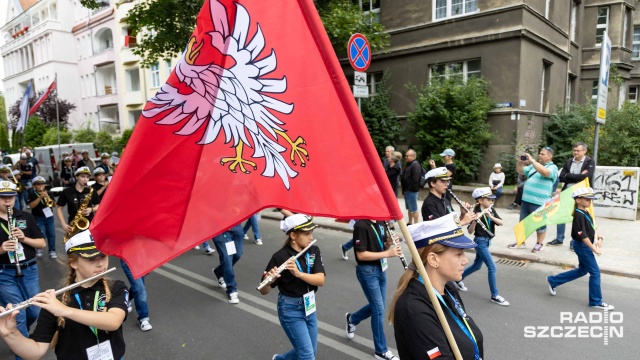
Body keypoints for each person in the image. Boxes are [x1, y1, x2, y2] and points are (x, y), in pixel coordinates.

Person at [0, 230, 128, 359]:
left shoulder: (116, 287)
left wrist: (64, 310)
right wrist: (11, 334)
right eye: (92, 259)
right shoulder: (55, 301)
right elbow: (35, 351)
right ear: (74, 263)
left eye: (103, 256)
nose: (100, 264)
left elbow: (113, 321)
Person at [389, 213, 484, 360]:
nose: (465, 260)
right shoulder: (414, 309)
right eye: (459, 254)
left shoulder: (449, 289)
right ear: (433, 259)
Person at [260, 214, 325, 360]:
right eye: (306, 233)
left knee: (310, 351)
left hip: (309, 305)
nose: (310, 237)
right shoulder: (280, 257)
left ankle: (280, 359)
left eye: (311, 233)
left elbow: (320, 280)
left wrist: (298, 273)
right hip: (290, 308)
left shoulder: (313, 250)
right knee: (307, 355)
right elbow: (264, 291)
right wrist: (270, 280)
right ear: (293, 235)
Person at [0, 181, 46, 360]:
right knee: (18, 314)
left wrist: (24, 238)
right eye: (3, 198)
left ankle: (17, 337)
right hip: (4, 273)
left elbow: (41, 243)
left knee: (34, 311)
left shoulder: (25, 216)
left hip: (29, 269)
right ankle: (23, 351)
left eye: (10, 197)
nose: (7, 201)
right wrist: (2, 249)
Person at [547, 187, 613, 310]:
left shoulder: (586, 212)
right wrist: (595, 249)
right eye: (587, 199)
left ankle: (553, 280)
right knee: (595, 273)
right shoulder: (578, 215)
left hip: (585, 246)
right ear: (578, 200)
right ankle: (595, 301)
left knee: (583, 270)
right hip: (582, 246)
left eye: (591, 199)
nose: (590, 201)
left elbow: (593, 227)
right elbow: (583, 236)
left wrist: (600, 238)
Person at [345, 218, 401, 360]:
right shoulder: (361, 225)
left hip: (380, 268)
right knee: (378, 309)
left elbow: (380, 247)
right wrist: (388, 254)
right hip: (367, 271)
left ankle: (352, 319)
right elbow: (361, 255)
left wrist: (387, 244)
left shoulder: (381, 223)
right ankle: (380, 350)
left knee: (378, 306)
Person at [455, 187, 509, 306]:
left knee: (476, 266)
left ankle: (458, 279)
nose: (492, 201)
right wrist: (475, 220)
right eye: (489, 199)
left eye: (492, 199)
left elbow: (501, 222)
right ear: (480, 200)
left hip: (488, 241)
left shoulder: (491, 210)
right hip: (480, 242)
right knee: (492, 267)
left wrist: (490, 217)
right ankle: (495, 295)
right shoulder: (473, 211)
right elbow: (469, 231)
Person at [508, 147, 558, 253]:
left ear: (550, 156)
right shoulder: (533, 166)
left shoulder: (553, 167)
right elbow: (521, 171)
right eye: (539, 153)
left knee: (540, 225)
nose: (540, 155)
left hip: (540, 202)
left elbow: (545, 173)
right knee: (522, 223)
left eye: (543, 154)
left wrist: (533, 161)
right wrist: (520, 162)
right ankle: (521, 242)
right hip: (526, 200)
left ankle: (539, 244)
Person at [547, 142, 595, 250]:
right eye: (574, 150)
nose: (575, 152)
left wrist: (569, 175)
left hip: (582, 194)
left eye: (578, 150)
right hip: (567, 192)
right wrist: (577, 176)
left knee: (578, 218)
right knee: (561, 215)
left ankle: (574, 242)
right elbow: (561, 177)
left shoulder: (589, 161)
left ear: (584, 151)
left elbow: (586, 176)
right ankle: (559, 239)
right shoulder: (569, 161)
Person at [56, 167, 101, 235]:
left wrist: (91, 209)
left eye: (87, 177)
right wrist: (63, 224)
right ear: (76, 177)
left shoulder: (91, 190)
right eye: (82, 176)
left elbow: (98, 205)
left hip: (90, 223)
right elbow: (59, 209)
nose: (85, 179)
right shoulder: (67, 191)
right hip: (73, 224)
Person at [212, 224, 244, 303]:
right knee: (227, 259)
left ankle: (219, 271)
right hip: (219, 229)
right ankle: (231, 289)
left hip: (236, 226)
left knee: (237, 254)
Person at [27, 177, 57, 259]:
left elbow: (54, 205)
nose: (40, 186)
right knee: (41, 234)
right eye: (38, 184)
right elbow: (31, 206)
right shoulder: (32, 194)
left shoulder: (49, 193)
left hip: (49, 217)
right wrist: (40, 197)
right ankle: (39, 248)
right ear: (34, 186)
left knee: (51, 235)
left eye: (42, 184)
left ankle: (52, 250)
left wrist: (47, 197)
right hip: (38, 217)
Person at [120, 259, 153, 331]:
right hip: (128, 261)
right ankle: (143, 319)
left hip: (141, 260)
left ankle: (127, 300)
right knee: (140, 289)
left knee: (138, 287)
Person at [400, 149, 421, 225]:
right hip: (407, 190)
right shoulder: (409, 164)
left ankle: (416, 224)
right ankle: (410, 222)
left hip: (411, 191)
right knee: (409, 208)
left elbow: (415, 179)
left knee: (414, 209)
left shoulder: (415, 165)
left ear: (413, 156)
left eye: (407, 156)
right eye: (405, 155)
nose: (406, 157)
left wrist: (411, 189)